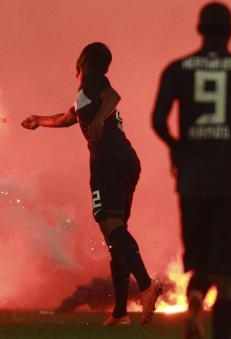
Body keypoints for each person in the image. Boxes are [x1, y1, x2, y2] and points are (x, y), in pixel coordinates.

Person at [152, 2, 231, 339]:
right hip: (230, 180)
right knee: (226, 276)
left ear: (199, 29)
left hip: (193, 181)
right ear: (230, 31)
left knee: (200, 260)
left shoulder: (177, 70)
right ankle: (216, 325)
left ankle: (194, 298)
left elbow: (157, 120)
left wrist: (178, 147)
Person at [21, 42, 163, 326]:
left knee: (110, 225)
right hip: (126, 161)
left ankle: (146, 286)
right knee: (116, 236)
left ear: (84, 59)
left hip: (108, 161)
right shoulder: (84, 96)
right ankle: (121, 312)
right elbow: (65, 119)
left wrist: (99, 120)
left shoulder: (91, 79)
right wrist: (39, 120)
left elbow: (113, 97)